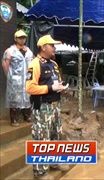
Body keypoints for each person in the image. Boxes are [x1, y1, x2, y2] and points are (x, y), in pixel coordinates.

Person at [26, 35, 69, 178]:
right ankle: (40, 172)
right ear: (43, 47)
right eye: (52, 45)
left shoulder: (54, 64)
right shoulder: (35, 64)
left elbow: (57, 82)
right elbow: (30, 88)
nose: (55, 48)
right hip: (43, 107)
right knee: (41, 138)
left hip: (56, 106)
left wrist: (61, 87)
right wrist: (50, 88)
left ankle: (54, 162)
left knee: (55, 135)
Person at [2, 30, 33, 126]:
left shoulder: (28, 51)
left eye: (23, 37)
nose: (22, 39)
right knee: (15, 99)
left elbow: (32, 63)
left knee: (27, 98)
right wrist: (9, 76)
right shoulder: (10, 51)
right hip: (15, 79)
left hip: (27, 79)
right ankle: (14, 119)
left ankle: (27, 116)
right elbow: (5, 64)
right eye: (20, 37)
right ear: (15, 39)